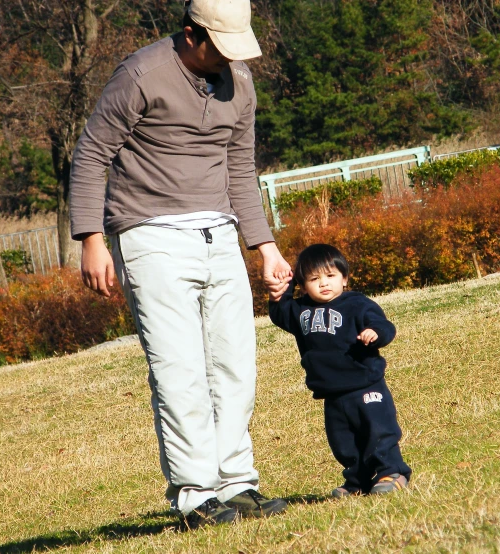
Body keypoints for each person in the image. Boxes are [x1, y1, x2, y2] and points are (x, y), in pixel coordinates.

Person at [68, 0, 292, 530]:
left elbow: (241, 167)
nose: (230, 61)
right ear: (192, 34)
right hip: (150, 236)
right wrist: (90, 239)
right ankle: (196, 495)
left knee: (236, 364)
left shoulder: (239, 81)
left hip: (220, 236)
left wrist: (264, 247)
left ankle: (238, 486)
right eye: (221, 47)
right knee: (180, 368)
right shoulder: (141, 75)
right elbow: (92, 153)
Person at [268, 244, 411, 497]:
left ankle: (391, 471)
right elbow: (280, 312)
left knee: (378, 431)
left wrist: (375, 333)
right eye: (314, 279)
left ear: (344, 278)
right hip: (332, 393)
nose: (324, 283)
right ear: (303, 285)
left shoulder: (357, 304)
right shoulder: (301, 311)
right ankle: (358, 481)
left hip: (365, 384)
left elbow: (383, 325)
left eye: (331, 276)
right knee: (343, 442)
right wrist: (283, 285)